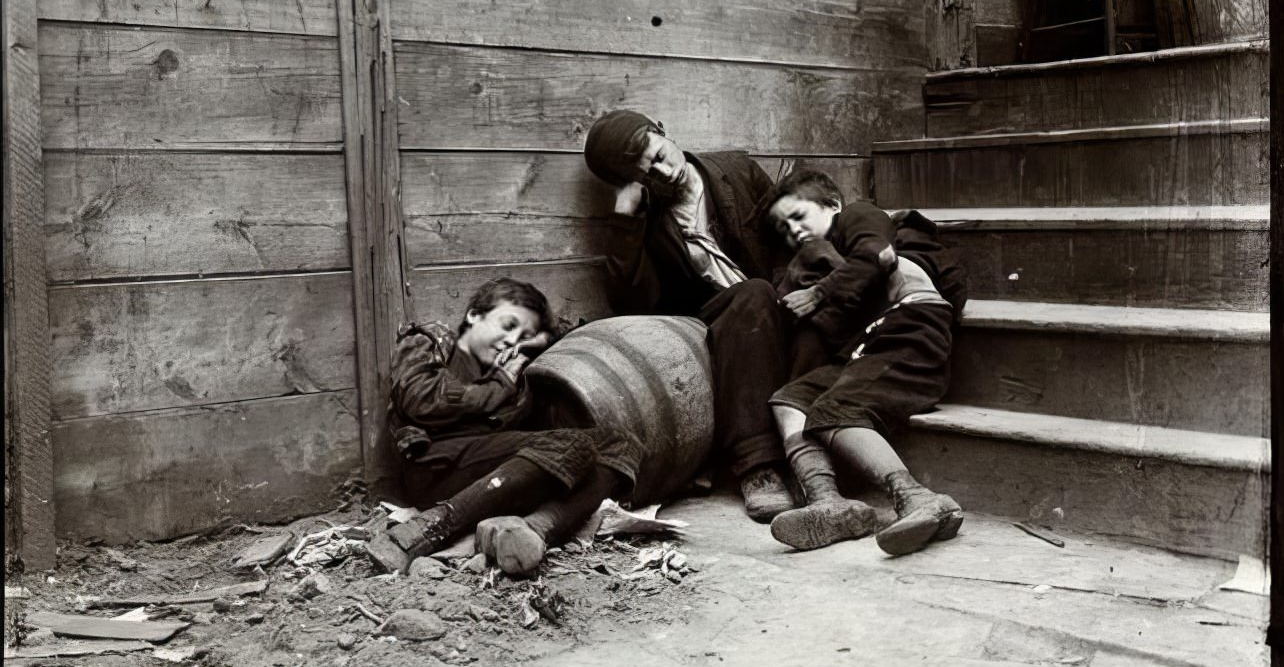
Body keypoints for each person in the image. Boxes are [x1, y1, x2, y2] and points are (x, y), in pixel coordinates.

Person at [582, 110, 795, 521]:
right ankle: (758, 468)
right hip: (720, 322)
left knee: (760, 292)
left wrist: (787, 293)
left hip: (783, 298)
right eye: (647, 173)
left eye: (660, 154)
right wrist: (626, 220)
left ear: (664, 130)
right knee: (751, 295)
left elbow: (787, 236)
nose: (664, 172)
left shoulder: (737, 168)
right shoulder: (651, 218)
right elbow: (632, 304)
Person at [370, 277, 642, 576]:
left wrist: (536, 344)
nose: (512, 340)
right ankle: (426, 529)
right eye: (508, 325)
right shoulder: (431, 340)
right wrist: (499, 385)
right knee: (571, 445)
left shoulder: (514, 370)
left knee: (620, 441)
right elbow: (422, 401)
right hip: (438, 467)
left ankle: (533, 530)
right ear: (474, 315)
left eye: (523, 335)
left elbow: (560, 332)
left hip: (500, 474)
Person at [762, 169, 963, 556]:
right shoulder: (818, 262)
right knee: (791, 399)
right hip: (867, 346)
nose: (793, 231)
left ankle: (916, 497)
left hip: (911, 329)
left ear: (832, 205)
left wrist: (819, 293)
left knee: (835, 409)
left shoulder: (858, 215)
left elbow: (876, 254)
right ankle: (828, 502)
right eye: (784, 228)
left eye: (799, 216)